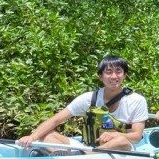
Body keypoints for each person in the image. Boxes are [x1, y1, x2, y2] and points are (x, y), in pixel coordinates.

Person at [17, 55, 148, 153]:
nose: (114, 76)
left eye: (118, 72)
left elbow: (136, 136)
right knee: (46, 134)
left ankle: (84, 157)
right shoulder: (88, 98)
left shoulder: (137, 100)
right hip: (88, 146)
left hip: (122, 149)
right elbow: (55, 120)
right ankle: (61, 157)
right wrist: (32, 136)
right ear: (100, 77)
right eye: (108, 72)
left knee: (121, 141)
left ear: (124, 75)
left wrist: (116, 134)